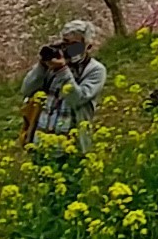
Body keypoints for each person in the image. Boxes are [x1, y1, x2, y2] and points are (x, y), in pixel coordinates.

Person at [20, 19, 108, 153]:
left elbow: (76, 99)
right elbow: (26, 89)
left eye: (75, 45)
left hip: (71, 145)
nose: (68, 49)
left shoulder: (95, 70)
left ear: (88, 46)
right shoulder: (51, 66)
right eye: (65, 43)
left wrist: (62, 70)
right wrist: (42, 65)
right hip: (41, 141)